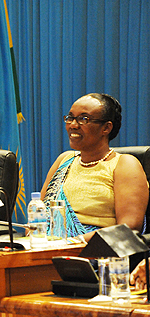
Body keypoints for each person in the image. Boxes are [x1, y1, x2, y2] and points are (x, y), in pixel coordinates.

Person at [40, 93, 148, 242]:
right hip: (47, 247)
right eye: (70, 117)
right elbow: (39, 216)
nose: (73, 125)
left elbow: (128, 227)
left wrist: (74, 242)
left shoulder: (125, 165)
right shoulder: (64, 160)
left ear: (106, 128)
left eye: (83, 119)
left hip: (95, 253)